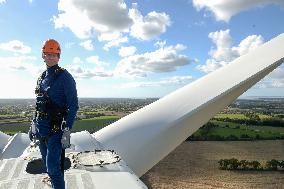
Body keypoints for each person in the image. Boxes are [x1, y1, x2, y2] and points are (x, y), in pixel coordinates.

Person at [29, 39, 78, 189]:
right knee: (48, 164)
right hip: (41, 129)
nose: (50, 57)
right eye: (47, 54)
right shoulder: (42, 77)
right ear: (43, 55)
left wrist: (67, 130)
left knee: (53, 169)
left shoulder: (65, 77)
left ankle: (56, 182)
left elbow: (73, 105)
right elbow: (39, 104)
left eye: (54, 55)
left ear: (59, 57)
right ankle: (54, 180)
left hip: (55, 131)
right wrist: (33, 123)